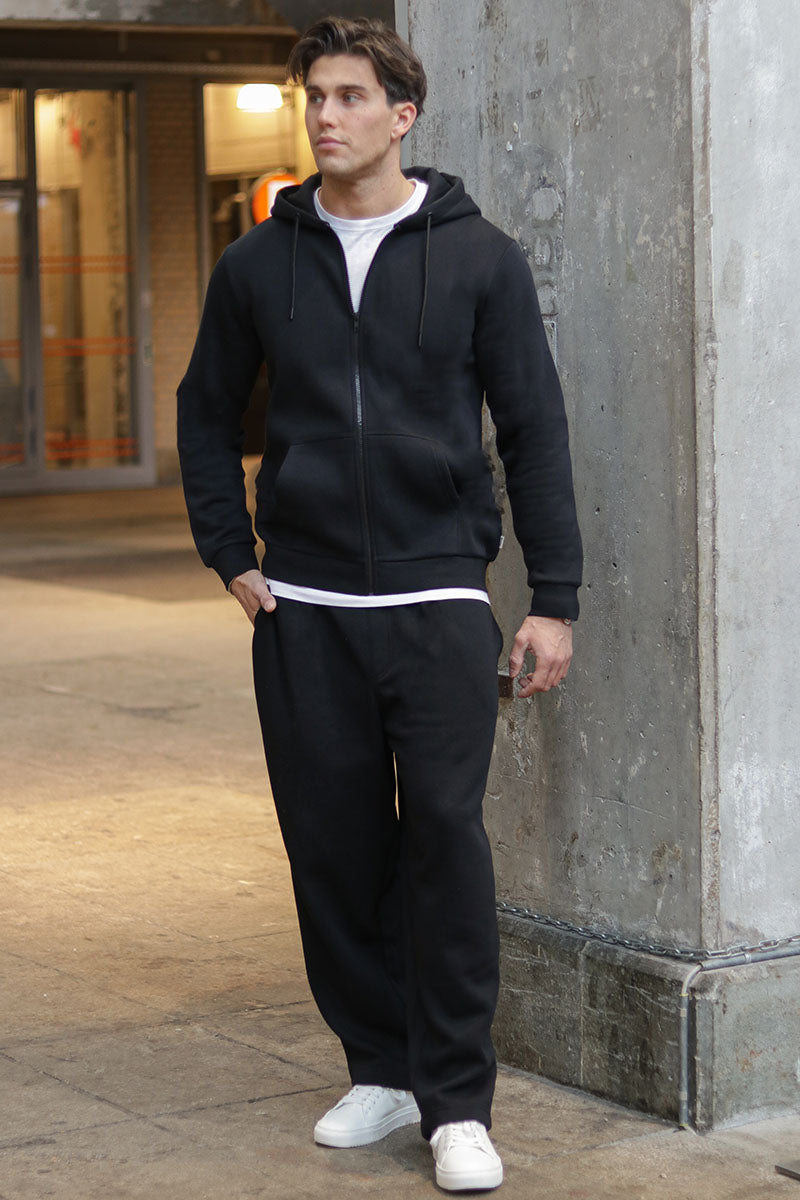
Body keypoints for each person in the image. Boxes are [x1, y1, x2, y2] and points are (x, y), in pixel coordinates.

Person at [177, 16, 582, 1193]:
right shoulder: (258, 262)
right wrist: (228, 551)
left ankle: (456, 1104)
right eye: (314, 96)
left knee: (443, 844)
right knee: (334, 849)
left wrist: (551, 597)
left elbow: (533, 429)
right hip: (302, 606)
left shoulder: (479, 257)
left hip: (436, 597)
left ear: (402, 115)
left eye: (350, 96)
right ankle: (381, 1067)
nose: (325, 115)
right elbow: (204, 412)